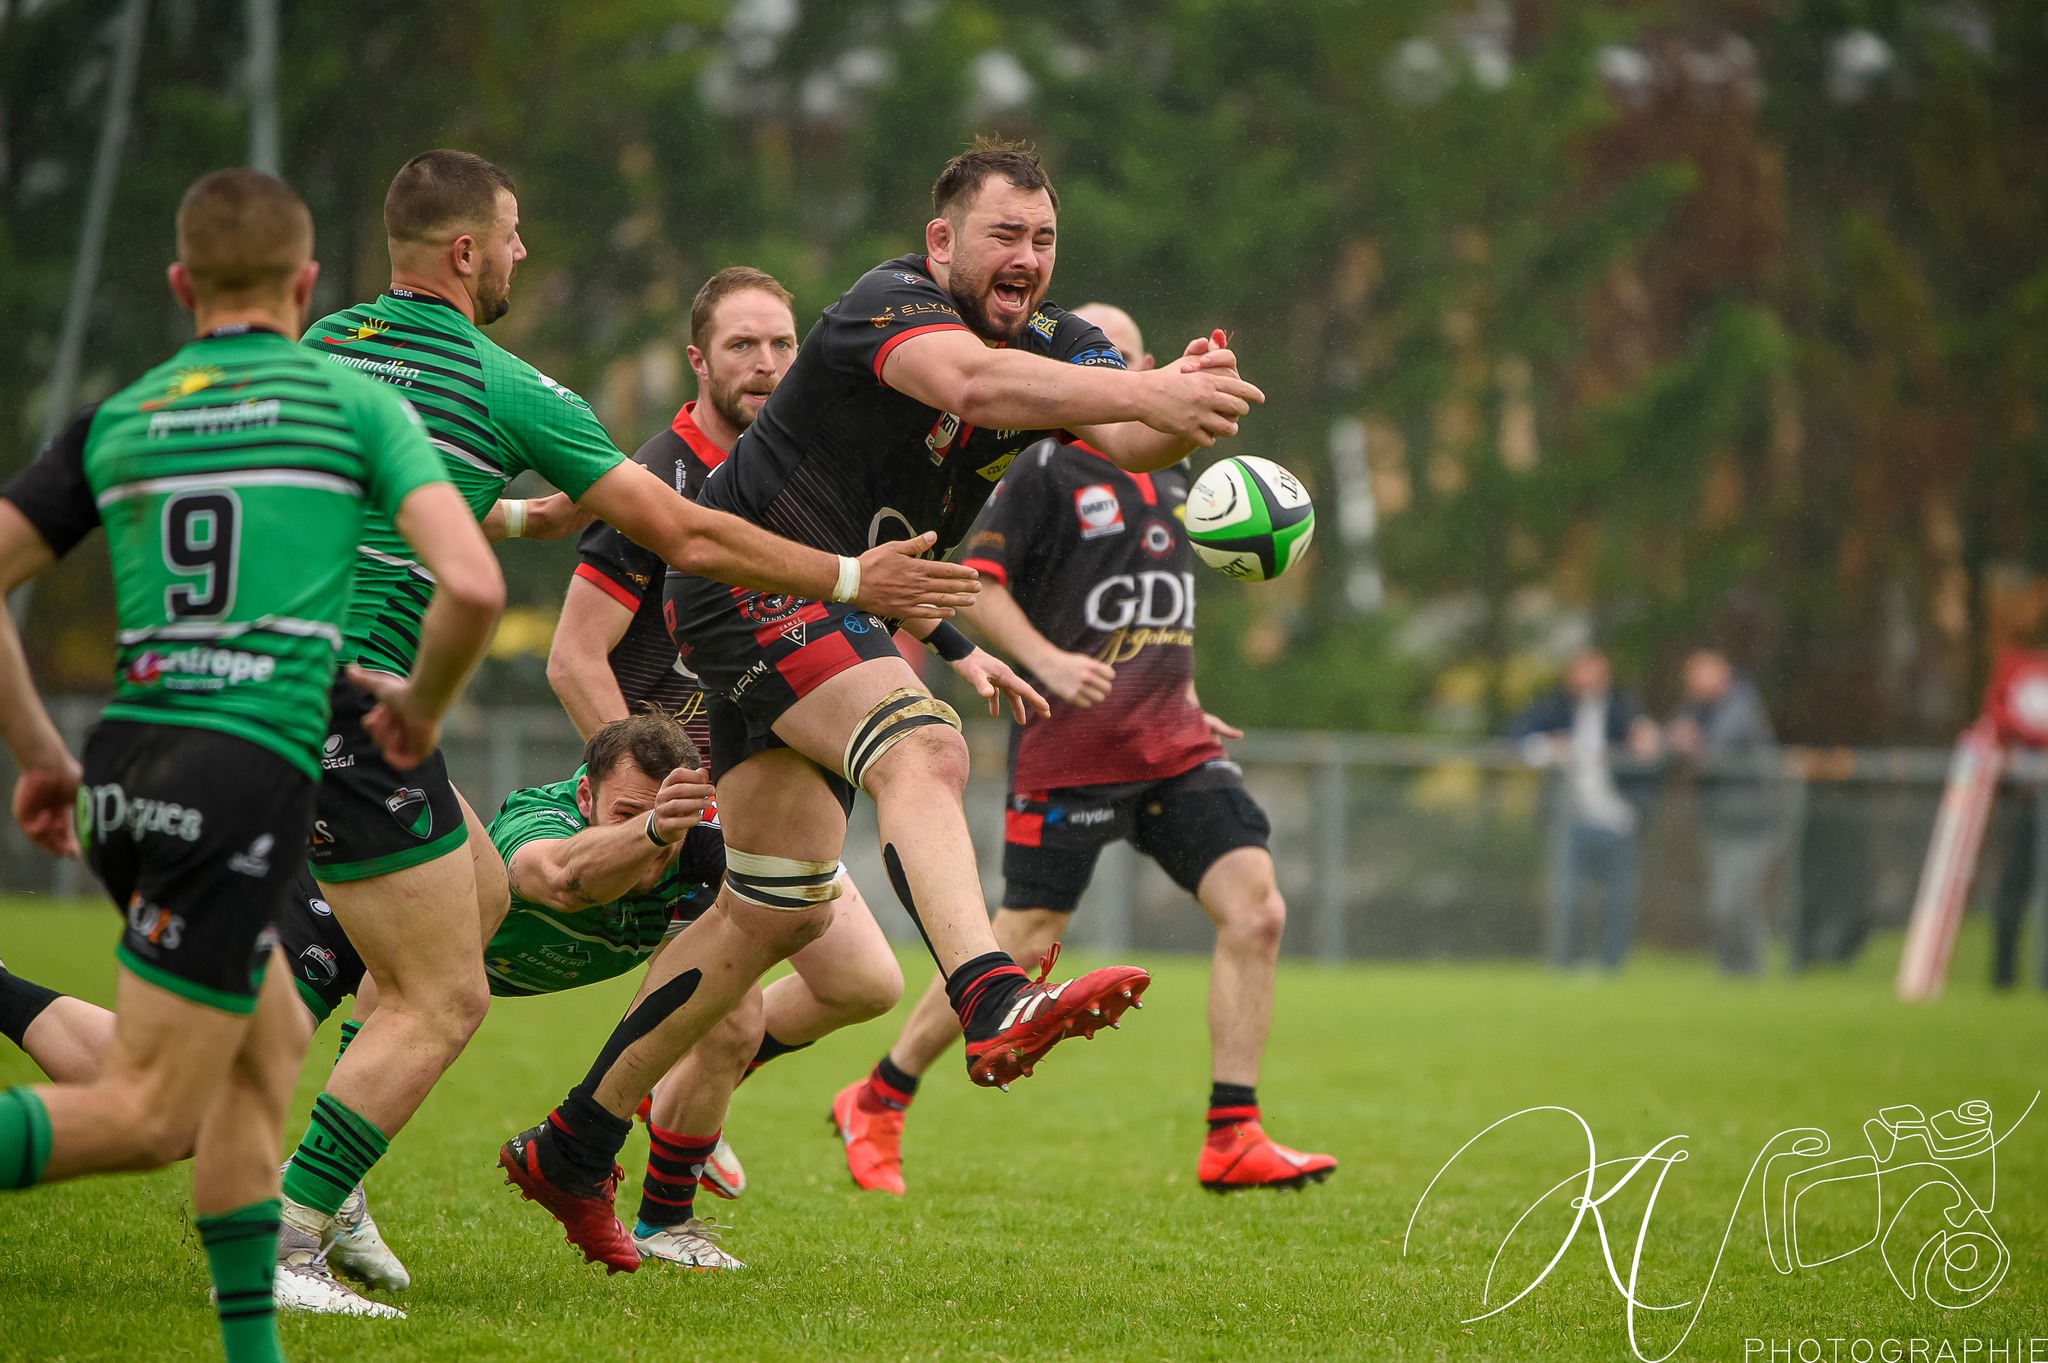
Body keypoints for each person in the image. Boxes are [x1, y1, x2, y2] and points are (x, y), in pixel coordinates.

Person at [499, 137, 1264, 1273]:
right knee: (925, 746)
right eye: (1005, 236)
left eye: (1045, 241)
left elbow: (1129, 433)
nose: (1028, 260)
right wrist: (1147, 384)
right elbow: (971, 387)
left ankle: (573, 1144)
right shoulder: (885, 303)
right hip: (757, 582)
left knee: (772, 911)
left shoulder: (1058, 344)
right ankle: (990, 992)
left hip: (834, 605)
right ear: (943, 241)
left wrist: (1189, 398)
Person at [273, 149, 975, 1306]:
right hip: (346, 699)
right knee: (442, 995)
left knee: (478, 900)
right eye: (510, 232)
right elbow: (686, 543)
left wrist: (506, 514)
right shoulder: (513, 388)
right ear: (464, 252)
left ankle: (342, 1150)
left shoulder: (317, 352)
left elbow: (355, 484)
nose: (520, 251)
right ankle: (292, 1229)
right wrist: (852, 579)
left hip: (251, 687)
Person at [0, 169, 501, 1359]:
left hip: (127, 768)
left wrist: (41, 757)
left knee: (267, 1046)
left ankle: (250, 1344)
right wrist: (422, 711)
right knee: (148, 1111)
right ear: (306, 283)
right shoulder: (348, 404)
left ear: (180, 287)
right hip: (237, 776)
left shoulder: (122, 414)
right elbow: (472, 584)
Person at [832, 304, 1335, 1196]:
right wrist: (1048, 658)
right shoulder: (1042, 467)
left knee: (1257, 910)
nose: (1117, 368)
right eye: (1101, 356)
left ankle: (1234, 1132)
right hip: (1071, 754)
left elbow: (1150, 613)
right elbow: (976, 589)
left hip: (1174, 746)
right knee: (1019, 946)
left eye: (1130, 355)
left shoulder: (1178, 478)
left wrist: (1186, 697)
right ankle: (877, 1096)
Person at [2, 710, 737, 1283]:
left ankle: (326, 1192)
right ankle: (302, 1218)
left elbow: (768, 924)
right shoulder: (546, 825)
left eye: (666, 826)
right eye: (626, 812)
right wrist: (647, 830)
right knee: (174, 1099)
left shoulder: (694, 855)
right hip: (327, 899)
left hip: (387, 948)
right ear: (585, 796)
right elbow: (563, 875)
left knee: (173, 1103)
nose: (655, 846)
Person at [546, 267, 903, 1233]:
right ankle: (666, 1213)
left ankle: (674, 1089)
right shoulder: (661, 476)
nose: (767, 364)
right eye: (743, 345)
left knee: (866, 983)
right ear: (698, 359)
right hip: (689, 796)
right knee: (734, 1006)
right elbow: (573, 657)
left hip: (761, 784)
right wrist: (642, 793)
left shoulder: (797, 470)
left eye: (783, 345)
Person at [1511, 648, 1660, 971]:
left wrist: (1642, 744)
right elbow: (1519, 735)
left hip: (1617, 818)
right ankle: (1567, 962)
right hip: (1570, 819)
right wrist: (1551, 748)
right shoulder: (1555, 708)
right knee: (1568, 895)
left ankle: (1611, 965)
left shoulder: (1622, 709)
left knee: (1616, 897)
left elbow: (1646, 745)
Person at [1667, 649, 1779, 975]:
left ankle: (1749, 970)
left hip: (1754, 821)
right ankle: (1734, 972)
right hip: (1721, 822)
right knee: (1726, 902)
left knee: (1733, 901)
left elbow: (1712, 751)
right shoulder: (1697, 708)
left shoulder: (1741, 705)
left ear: (1721, 673)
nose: (1694, 683)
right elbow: (1672, 740)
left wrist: (1688, 743)